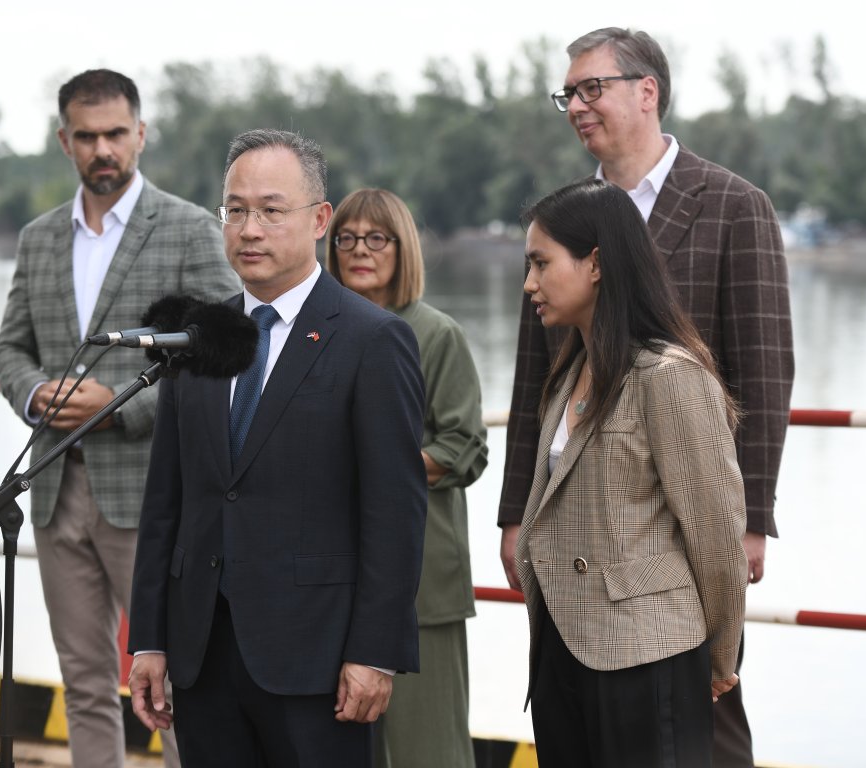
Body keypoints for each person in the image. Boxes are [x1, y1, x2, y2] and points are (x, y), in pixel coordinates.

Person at [497, 27, 794, 766]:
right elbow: (534, 380)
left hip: (685, 521)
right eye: (568, 93)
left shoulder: (734, 205)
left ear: (647, 91)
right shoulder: (562, 225)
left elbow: (763, 371)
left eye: (591, 88)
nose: (576, 106)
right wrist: (515, 514)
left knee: (708, 715)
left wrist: (751, 520)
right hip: (579, 531)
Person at [127, 129, 428, 768]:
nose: (249, 230)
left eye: (270, 210)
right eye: (235, 210)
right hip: (202, 651)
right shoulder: (196, 338)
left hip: (317, 656)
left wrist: (374, 652)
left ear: (319, 219)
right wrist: (149, 639)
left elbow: (394, 512)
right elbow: (166, 501)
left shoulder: (372, 339)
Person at [0, 69, 240, 768]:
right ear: (64, 141)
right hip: (54, 490)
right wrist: (34, 394)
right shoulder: (39, 238)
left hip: (153, 495)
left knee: (177, 682)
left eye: (115, 134)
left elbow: (228, 352)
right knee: (84, 682)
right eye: (87, 136)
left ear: (141, 134)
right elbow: (10, 348)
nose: (102, 149)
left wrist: (122, 405)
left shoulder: (190, 228)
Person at [516, 178, 748, 765]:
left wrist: (721, 655)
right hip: (561, 651)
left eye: (541, 263)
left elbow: (717, 533)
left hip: (648, 655)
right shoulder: (568, 375)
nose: (529, 284)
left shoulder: (669, 376)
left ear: (595, 263)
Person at [325, 188, 487, 768]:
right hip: (331, 575)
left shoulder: (436, 334)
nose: (359, 250)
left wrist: (377, 467)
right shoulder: (319, 334)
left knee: (429, 752)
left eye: (377, 238)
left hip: (423, 583)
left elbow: (464, 448)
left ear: (404, 248)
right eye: (346, 238)